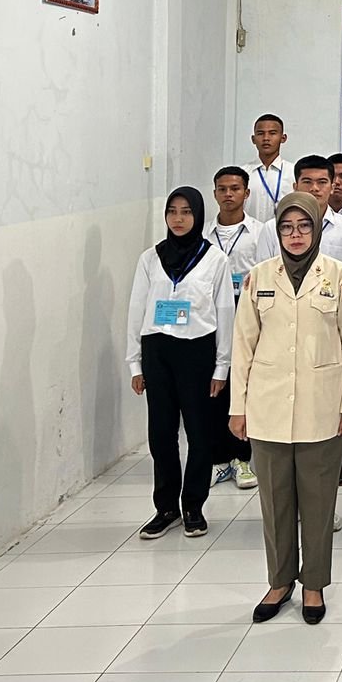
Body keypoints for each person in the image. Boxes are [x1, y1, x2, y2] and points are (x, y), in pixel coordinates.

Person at [228, 191, 342, 625]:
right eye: (287, 227)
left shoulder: (339, 276)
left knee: (319, 503)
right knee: (275, 502)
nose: (295, 235)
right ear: (277, 231)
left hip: (322, 408)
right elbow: (242, 345)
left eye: (304, 226)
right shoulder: (258, 277)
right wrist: (237, 407)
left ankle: (313, 584)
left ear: (317, 228)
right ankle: (279, 580)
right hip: (267, 406)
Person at [127, 187, 235, 540]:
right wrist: (135, 364)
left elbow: (225, 312)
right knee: (161, 434)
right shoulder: (150, 258)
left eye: (186, 212)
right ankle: (166, 507)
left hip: (197, 352)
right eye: (172, 211)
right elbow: (136, 310)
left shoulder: (214, 259)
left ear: (198, 216)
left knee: (200, 434)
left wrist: (222, 366)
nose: (178, 218)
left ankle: (193, 506)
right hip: (157, 351)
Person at [210, 167, 261, 490]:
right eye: (222, 189)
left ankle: (242, 459)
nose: (228, 194)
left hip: (247, 312)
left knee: (244, 387)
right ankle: (219, 460)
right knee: (216, 389)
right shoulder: (204, 235)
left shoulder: (260, 232)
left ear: (246, 193)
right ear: (215, 193)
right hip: (212, 317)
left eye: (235, 188)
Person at [242, 113, 291, 225]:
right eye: (260, 133)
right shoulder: (243, 173)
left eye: (272, 133)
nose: (266, 138)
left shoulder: (293, 173)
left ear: (283, 138)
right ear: (253, 139)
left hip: (284, 232)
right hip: (250, 233)